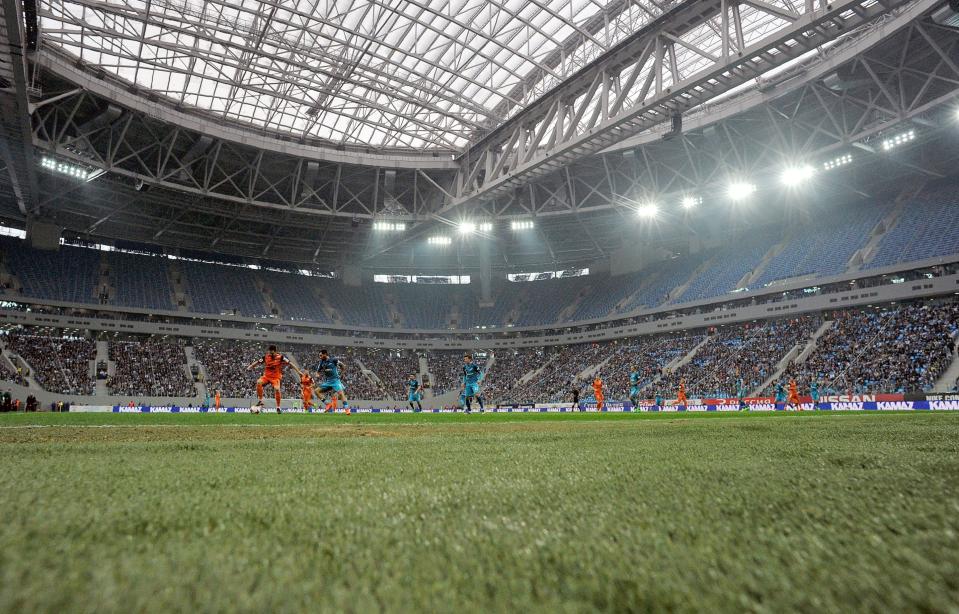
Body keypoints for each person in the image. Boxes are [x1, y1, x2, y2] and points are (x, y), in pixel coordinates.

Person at [246, 344, 291, 413]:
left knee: (277, 389)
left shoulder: (280, 357)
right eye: (270, 352)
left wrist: (298, 371)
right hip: (266, 377)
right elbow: (258, 362)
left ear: (275, 351)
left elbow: (290, 363)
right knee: (258, 382)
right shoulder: (266, 357)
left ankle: (278, 407)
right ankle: (260, 401)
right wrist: (251, 366)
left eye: (272, 352)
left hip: (275, 377)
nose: (270, 353)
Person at [315, 349, 350, 415]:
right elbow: (317, 372)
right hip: (328, 382)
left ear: (325, 354)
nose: (320, 357)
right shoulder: (321, 362)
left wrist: (342, 374)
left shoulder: (333, 360)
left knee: (341, 394)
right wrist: (317, 375)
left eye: (321, 355)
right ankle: (328, 404)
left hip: (335, 381)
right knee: (316, 391)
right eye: (319, 355)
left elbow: (342, 365)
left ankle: (347, 409)